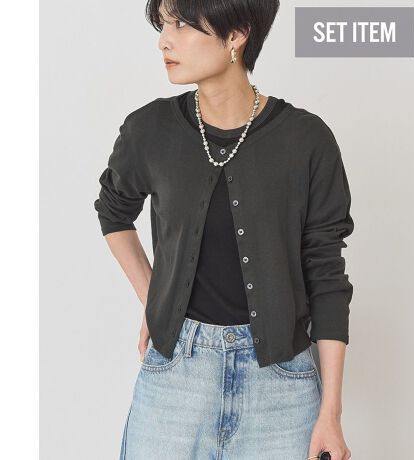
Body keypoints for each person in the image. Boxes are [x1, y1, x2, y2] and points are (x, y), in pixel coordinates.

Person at [93, 1, 353, 459]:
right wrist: (157, 299)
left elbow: (327, 274)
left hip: (281, 388)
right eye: (163, 25)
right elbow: (113, 212)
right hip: (175, 377)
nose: (164, 41)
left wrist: (330, 413)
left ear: (236, 35)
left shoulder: (306, 140)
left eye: (182, 25)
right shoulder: (150, 130)